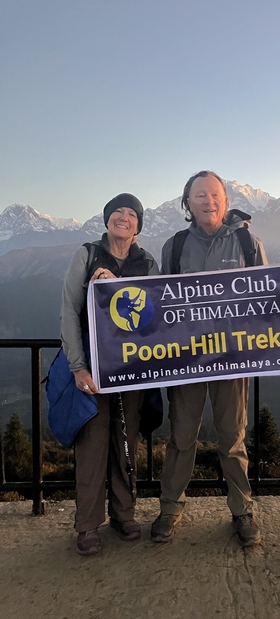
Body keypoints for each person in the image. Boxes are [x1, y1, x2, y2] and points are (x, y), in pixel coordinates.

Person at [151, 170, 268, 547]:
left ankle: (242, 510)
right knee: (182, 434)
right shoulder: (175, 246)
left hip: (232, 360)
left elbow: (268, 298)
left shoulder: (249, 243)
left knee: (232, 437)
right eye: (199, 195)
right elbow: (159, 302)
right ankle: (170, 507)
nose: (208, 201)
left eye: (215, 194)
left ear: (226, 201)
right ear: (187, 203)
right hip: (185, 361)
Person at [60, 193, 160, 555]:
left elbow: (156, 316)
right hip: (92, 369)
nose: (124, 217)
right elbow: (69, 312)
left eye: (132, 214)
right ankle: (87, 524)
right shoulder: (86, 255)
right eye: (117, 211)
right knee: (92, 443)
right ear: (106, 220)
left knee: (125, 441)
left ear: (138, 226)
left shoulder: (147, 262)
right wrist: (77, 365)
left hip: (131, 369)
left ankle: (124, 513)